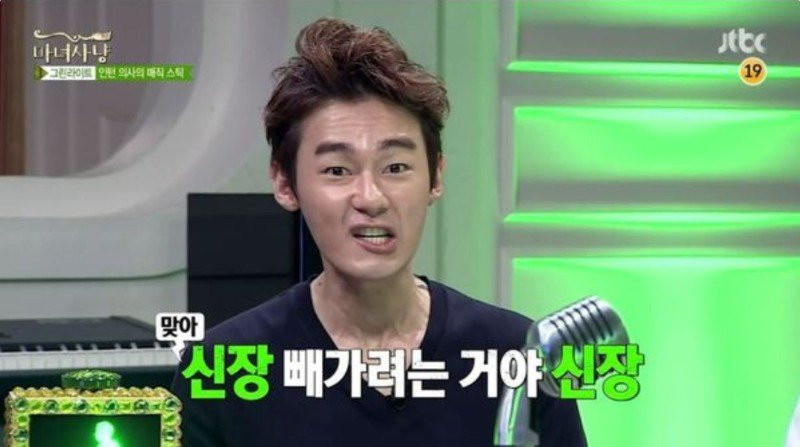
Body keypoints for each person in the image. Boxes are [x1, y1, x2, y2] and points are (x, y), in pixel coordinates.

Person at [172, 17, 586, 446]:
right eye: (337, 170)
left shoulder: (520, 356)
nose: (371, 198)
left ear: (436, 176)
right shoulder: (222, 367)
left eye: (396, 167)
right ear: (284, 183)